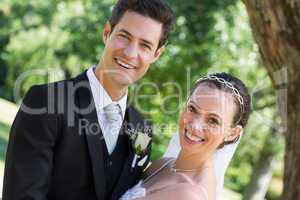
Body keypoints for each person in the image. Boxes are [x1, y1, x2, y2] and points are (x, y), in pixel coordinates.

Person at [2, 0, 174, 200]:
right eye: (124, 37)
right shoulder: (45, 103)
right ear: (106, 33)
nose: (130, 53)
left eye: (145, 45)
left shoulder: (142, 129)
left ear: (156, 54)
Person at [120, 72, 251, 200]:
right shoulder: (162, 165)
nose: (195, 126)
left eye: (213, 120)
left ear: (232, 133)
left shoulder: (190, 195)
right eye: (192, 109)